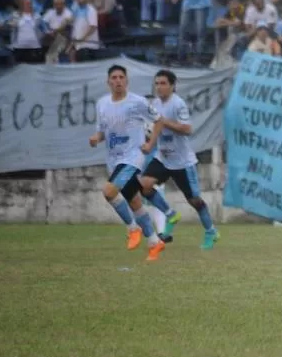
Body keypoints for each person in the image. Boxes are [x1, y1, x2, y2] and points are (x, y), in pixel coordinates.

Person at [88, 65, 166, 261]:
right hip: (113, 159)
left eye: (121, 77)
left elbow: (159, 121)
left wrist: (150, 143)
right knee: (134, 201)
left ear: (127, 81)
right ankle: (154, 242)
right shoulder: (102, 104)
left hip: (132, 157)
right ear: (108, 82)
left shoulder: (137, 102)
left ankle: (133, 229)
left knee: (109, 191)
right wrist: (96, 138)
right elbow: (103, 130)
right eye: (113, 77)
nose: (118, 81)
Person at [140, 70, 221, 250]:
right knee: (144, 186)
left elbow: (187, 129)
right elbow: (156, 126)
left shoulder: (178, 104)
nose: (159, 87)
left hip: (182, 162)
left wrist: (164, 122)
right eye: (157, 83)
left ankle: (211, 231)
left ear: (172, 85)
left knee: (195, 201)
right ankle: (170, 215)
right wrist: (149, 143)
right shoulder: (155, 104)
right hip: (162, 157)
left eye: (163, 83)